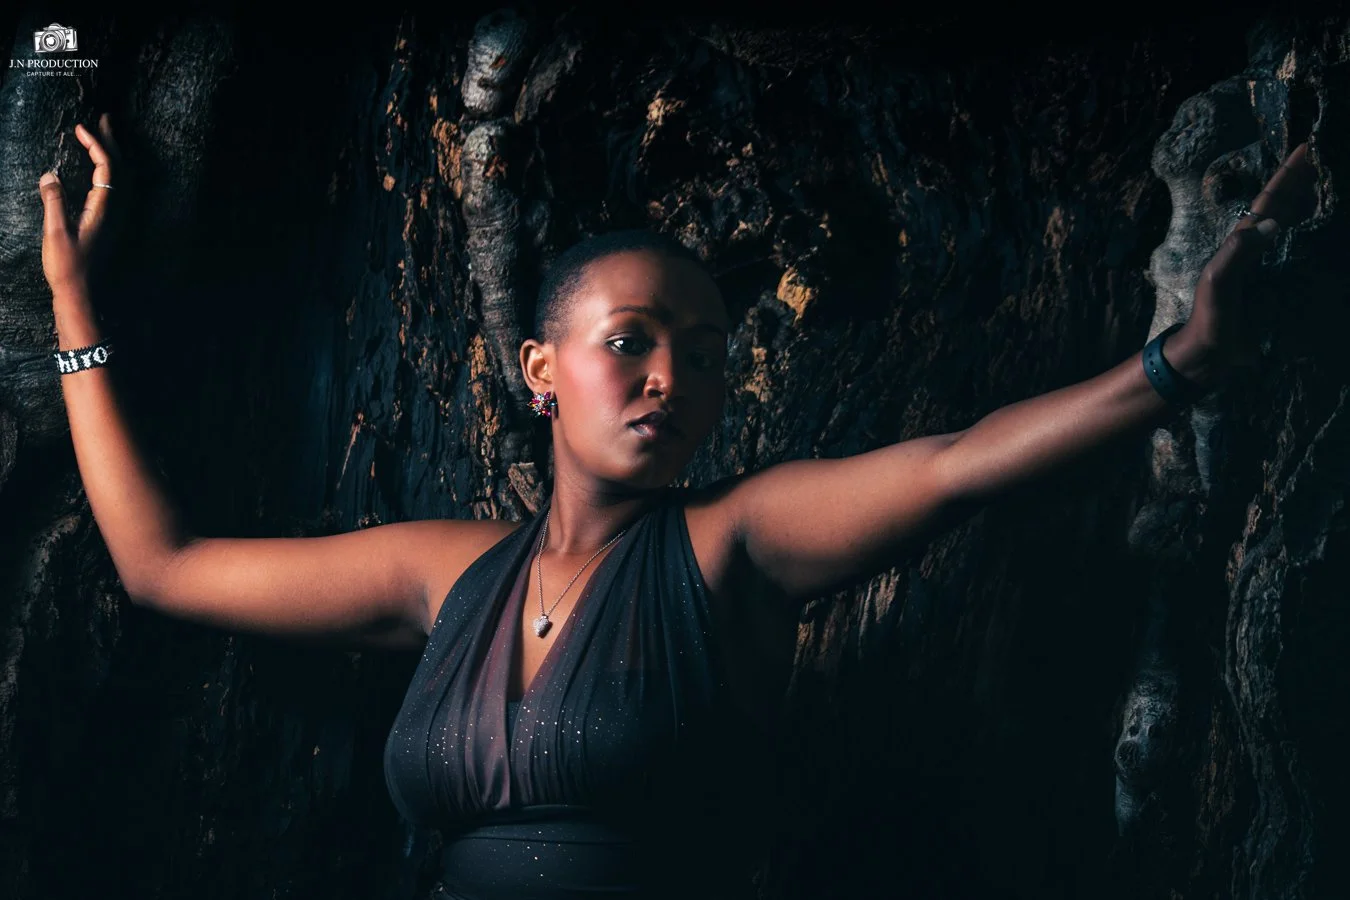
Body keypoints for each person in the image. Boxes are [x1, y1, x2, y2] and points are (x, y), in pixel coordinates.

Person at [38, 113, 1316, 899]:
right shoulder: (446, 574)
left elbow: (961, 462)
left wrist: (1178, 365)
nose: (672, 378)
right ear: (541, 370)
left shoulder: (734, 545)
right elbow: (163, 564)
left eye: (704, 354)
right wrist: (73, 309)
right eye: (633, 342)